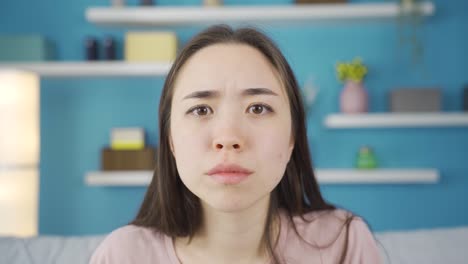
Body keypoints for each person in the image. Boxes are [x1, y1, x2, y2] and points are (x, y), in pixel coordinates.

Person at [89, 24, 382, 264]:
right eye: (201, 110)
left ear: (293, 136)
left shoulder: (345, 244)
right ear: (171, 140)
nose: (228, 137)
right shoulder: (122, 256)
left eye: (258, 108)